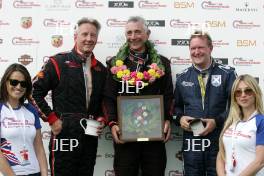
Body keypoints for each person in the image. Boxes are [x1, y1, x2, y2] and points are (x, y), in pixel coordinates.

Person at [32, 17, 107, 176]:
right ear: (75, 37)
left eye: (92, 35)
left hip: (90, 134)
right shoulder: (58, 61)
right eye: (84, 34)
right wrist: (52, 119)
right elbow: (33, 91)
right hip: (65, 134)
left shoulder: (101, 69)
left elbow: (104, 102)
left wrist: (102, 119)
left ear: (97, 38)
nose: (89, 39)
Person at [103, 16, 173, 176]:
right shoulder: (115, 64)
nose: (133, 37)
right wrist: (113, 123)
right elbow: (108, 97)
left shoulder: (162, 64)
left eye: (137, 32)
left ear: (147, 34)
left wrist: (168, 118)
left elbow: (169, 95)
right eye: (129, 32)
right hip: (125, 136)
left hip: (155, 136)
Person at [173, 30, 237, 175]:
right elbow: (175, 108)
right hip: (192, 143)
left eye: (200, 47)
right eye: (193, 48)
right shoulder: (182, 77)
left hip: (220, 141)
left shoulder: (228, 74)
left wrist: (217, 121)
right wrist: (180, 118)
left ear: (210, 48)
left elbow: (237, 106)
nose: (197, 52)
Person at [0, 63, 48, 176]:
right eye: (14, 82)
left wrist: (45, 173)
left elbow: (39, 147)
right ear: (5, 82)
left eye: (23, 83)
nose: (18, 87)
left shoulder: (31, 110)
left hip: (35, 172)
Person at [217, 74, 264, 176]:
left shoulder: (261, 121)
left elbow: (260, 162)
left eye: (248, 91)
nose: (243, 95)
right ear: (234, 97)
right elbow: (221, 154)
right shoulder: (230, 121)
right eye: (238, 92)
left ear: (256, 93)